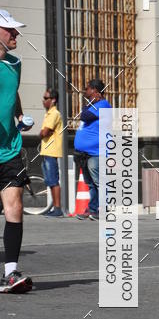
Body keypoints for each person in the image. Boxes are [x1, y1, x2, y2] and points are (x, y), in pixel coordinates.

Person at [0, 9, 33, 293]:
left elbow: (13, 92)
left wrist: (19, 116)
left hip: (9, 149)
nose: (16, 35)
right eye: (10, 30)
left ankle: (11, 273)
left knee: (15, 208)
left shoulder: (15, 63)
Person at [73, 79, 111, 221]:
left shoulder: (103, 105)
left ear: (95, 91)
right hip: (85, 153)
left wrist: (86, 107)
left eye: (87, 89)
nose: (85, 91)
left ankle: (102, 210)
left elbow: (85, 115)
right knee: (91, 183)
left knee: (99, 182)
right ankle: (92, 209)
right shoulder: (93, 105)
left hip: (96, 152)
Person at [39, 87, 64, 217]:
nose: (43, 101)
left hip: (51, 151)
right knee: (50, 180)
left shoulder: (54, 114)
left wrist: (42, 133)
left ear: (53, 100)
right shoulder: (49, 113)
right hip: (47, 151)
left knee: (53, 181)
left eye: (46, 98)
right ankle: (55, 207)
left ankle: (58, 208)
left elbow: (44, 132)